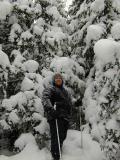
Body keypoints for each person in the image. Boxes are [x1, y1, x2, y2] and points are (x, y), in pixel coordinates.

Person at [42, 73, 72, 160]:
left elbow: (69, 103)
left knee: (62, 136)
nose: (58, 79)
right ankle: (56, 155)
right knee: (56, 136)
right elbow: (45, 98)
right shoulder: (51, 88)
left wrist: (76, 103)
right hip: (55, 116)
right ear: (53, 81)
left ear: (62, 80)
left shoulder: (65, 91)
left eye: (60, 78)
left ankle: (58, 152)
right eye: (56, 79)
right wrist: (50, 110)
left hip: (65, 117)